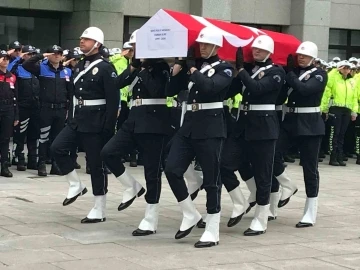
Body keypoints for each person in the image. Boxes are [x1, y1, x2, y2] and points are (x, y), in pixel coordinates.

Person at [164, 26, 233, 248]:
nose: (202, 48)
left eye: (206, 44)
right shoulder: (192, 67)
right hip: (190, 125)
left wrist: (193, 69)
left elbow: (210, 88)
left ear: (216, 46)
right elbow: (170, 89)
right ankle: (190, 213)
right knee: (172, 168)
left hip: (211, 126)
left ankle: (212, 227)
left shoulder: (225, 69)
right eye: (200, 44)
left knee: (212, 179)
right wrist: (179, 65)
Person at [100, 29, 172, 236]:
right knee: (108, 152)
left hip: (155, 121)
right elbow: (117, 83)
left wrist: (142, 68)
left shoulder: (161, 67)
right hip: (134, 119)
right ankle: (131, 186)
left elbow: (157, 90)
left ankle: (151, 217)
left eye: (138, 48)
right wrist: (133, 66)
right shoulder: (137, 66)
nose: (134, 51)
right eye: (133, 48)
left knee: (152, 171)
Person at [51, 26, 119, 223]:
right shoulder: (80, 65)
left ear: (97, 44)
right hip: (78, 119)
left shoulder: (106, 68)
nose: (82, 41)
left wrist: (109, 127)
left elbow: (113, 100)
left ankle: (99, 208)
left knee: (96, 165)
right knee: (57, 148)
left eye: (86, 39)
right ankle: (75, 184)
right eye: (81, 38)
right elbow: (74, 95)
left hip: (96, 121)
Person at [221, 35, 285, 236]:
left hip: (264, 127)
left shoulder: (276, 72)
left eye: (259, 49)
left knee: (263, 174)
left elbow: (257, 89)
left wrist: (241, 71)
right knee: (225, 164)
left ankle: (261, 218)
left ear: (269, 52)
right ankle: (240, 202)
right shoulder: (248, 70)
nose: (255, 52)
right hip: (243, 126)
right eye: (254, 49)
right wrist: (232, 72)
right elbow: (229, 92)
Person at [272, 41, 328, 227]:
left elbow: (305, 89)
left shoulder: (320, 74)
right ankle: (288, 185)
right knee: (271, 154)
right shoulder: (293, 73)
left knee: (309, 168)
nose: (300, 57)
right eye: (299, 55)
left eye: (304, 55)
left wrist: (289, 75)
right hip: (290, 123)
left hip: (310, 125)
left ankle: (310, 211)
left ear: (312, 57)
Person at [22, 45, 72, 176]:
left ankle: (55, 165)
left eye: (59, 53)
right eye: (54, 53)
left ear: (62, 56)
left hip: (61, 109)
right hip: (45, 109)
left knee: (57, 139)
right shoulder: (42, 68)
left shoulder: (67, 71)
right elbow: (27, 64)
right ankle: (42, 164)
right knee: (43, 138)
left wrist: (70, 109)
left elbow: (70, 92)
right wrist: (43, 55)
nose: (56, 55)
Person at [321, 60, 358, 166]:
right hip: (335, 108)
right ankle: (333, 157)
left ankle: (339, 156)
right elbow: (327, 90)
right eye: (344, 68)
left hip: (346, 110)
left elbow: (354, 97)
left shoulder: (351, 81)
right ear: (340, 68)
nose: (346, 70)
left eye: (348, 68)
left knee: (342, 134)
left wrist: (354, 111)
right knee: (335, 134)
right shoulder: (334, 78)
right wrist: (324, 109)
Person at [9, 45, 40, 171]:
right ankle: (18, 158)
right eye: (28, 54)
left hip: (36, 106)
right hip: (22, 106)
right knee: (20, 133)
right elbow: (8, 72)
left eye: (33, 54)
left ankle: (33, 159)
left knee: (34, 134)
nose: (31, 56)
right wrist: (18, 58)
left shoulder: (37, 68)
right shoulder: (18, 67)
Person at [0, 50, 19, 177]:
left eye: (7, 58)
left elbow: (16, 97)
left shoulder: (12, 76)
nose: (5, 60)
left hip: (8, 109)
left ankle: (4, 166)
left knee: (6, 138)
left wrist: (16, 115)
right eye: (2, 58)